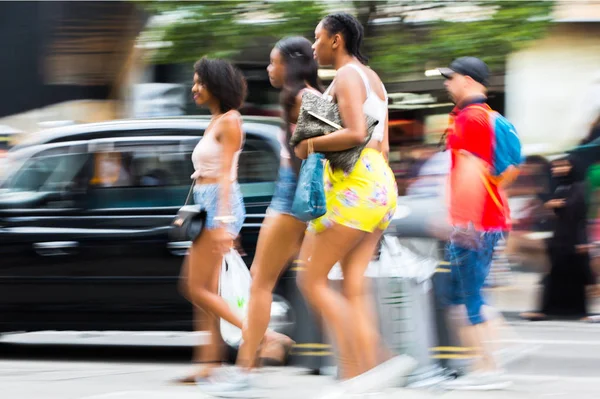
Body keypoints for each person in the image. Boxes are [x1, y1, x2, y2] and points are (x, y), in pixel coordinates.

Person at [295, 13, 415, 392]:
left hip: (355, 187)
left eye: (317, 37)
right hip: (379, 185)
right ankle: (360, 374)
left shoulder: (346, 75)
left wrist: (309, 143)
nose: (313, 45)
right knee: (352, 287)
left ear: (337, 39)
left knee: (310, 279)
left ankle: (376, 362)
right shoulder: (373, 79)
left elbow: (356, 132)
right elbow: (381, 144)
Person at [198, 36, 323, 394]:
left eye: (274, 62)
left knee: (261, 283)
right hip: (302, 197)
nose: (269, 69)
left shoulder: (304, 98)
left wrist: (301, 200)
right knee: (315, 283)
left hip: (293, 197)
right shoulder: (311, 96)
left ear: (291, 64)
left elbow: (313, 153)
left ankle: (246, 370)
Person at [176, 57, 284, 384]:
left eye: (200, 82)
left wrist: (223, 223)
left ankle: (262, 335)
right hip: (208, 205)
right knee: (207, 291)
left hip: (219, 206)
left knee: (193, 287)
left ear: (215, 85)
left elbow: (226, 177)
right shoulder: (215, 121)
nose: (194, 88)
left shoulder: (230, 121)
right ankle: (209, 365)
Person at [438, 56, 514, 390]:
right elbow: (509, 169)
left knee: (466, 299)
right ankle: (492, 359)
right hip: (489, 221)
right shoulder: (492, 117)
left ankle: (487, 370)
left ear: (467, 80)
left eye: (450, 78)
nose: (446, 83)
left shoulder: (469, 119)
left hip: (474, 225)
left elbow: (470, 171)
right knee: (465, 295)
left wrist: (463, 222)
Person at [521, 155, 596, 321]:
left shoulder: (580, 186)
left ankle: (580, 313)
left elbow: (578, 212)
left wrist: (583, 241)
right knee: (554, 275)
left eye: (563, 166)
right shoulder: (561, 187)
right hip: (560, 239)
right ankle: (546, 310)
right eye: (556, 167)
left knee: (576, 278)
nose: (558, 169)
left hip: (574, 238)